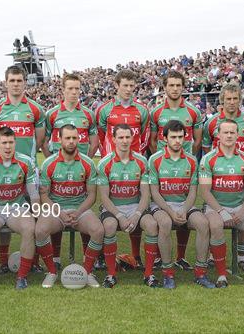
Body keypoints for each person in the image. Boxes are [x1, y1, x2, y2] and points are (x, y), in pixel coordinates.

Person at [199, 119, 244, 288]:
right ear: (218, 135)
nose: (229, 135)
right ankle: (221, 275)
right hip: (214, 208)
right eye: (225, 132)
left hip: (240, 207)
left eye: (232, 132)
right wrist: (221, 211)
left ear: (238, 135)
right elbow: (204, 191)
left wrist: (242, 211)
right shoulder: (208, 159)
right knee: (216, 226)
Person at [0, 66, 45, 274]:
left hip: (28, 170)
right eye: (12, 80)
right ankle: (3, 262)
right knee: (3, 210)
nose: (16, 84)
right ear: (6, 82)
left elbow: (39, 140)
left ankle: (34, 261)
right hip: (3, 171)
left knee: (33, 216)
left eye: (20, 80)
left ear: (25, 82)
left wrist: (25, 161)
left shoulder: (36, 109)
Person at [42, 73, 100, 270]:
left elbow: (94, 142)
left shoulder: (88, 115)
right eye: (70, 89)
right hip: (59, 164)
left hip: (81, 169)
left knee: (81, 207)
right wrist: (53, 158)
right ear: (63, 90)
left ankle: (87, 261)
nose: (74, 92)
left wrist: (86, 162)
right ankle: (55, 260)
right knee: (57, 202)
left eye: (77, 89)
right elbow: (45, 139)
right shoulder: (52, 114)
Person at [148, 120, 215, 289]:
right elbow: (154, 193)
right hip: (161, 205)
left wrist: (184, 210)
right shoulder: (155, 159)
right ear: (165, 138)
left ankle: (200, 273)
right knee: (164, 223)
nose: (177, 141)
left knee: (203, 223)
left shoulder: (192, 161)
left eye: (180, 137)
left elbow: (193, 191)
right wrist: (171, 211)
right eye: (173, 137)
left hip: (185, 204)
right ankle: (168, 273)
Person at [35, 124, 103, 288]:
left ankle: (87, 272)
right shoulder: (49, 164)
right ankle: (51, 271)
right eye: (67, 138)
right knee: (39, 231)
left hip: (80, 209)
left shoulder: (88, 163)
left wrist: (77, 212)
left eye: (74, 138)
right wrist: (60, 213)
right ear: (59, 140)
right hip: (56, 210)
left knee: (98, 230)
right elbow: (44, 195)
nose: (71, 142)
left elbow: (92, 195)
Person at [149, 70, 203, 271]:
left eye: (178, 85)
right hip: (163, 168)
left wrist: (185, 159)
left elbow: (197, 142)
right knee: (162, 216)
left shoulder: (193, 112)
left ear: (183, 87)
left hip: (184, 169)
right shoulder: (155, 112)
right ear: (164, 87)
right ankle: (160, 259)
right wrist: (163, 160)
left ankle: (180, 257)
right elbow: (153, 142)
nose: (174, 88)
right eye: (171, 85)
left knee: (184, 211)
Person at [0, 126, 40, 290]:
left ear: (15, 143)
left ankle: (22, 277)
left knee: (29, 227)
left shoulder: (26, 162)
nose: (8, 147)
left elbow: (34, 195)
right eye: (4, 142)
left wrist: (37, 213)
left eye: (11, 142)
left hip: (17, 208)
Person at [96, 69, 150, 269]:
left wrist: (137, 157)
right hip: (112, 165)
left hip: (135, 164)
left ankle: (136, 256)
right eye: (125, 85)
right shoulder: (104, 110)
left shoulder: (142, 110)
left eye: (132, 86)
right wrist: (108, 156)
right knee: (108, 207)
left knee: (136, 204)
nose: (128, 89)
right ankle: (103, 257)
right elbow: (102, 135)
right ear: (116, 86)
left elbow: (144, 136)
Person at [202, 82, 244, 272]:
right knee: (213, 217)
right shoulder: (211, 123)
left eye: (235, 99)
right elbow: (206, 149)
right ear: (222, 100)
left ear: (240, 100)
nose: (231, 102)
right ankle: (211, 255)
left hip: (239, 176)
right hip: (217, 177)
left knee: (242, 216)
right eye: (228, 99)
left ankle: (242, 257)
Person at [97, 124, 159, 288]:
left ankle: (149, 274)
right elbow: (104, 197)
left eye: (127, 137)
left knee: (152, 225)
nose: (124, 141)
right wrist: (119, 216)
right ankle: (111, 274)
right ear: (114, 139)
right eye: (121, 137)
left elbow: (145, 194)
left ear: (132, 139)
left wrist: (137, 214)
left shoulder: (141, 161)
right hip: (113, 208)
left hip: (135, 206)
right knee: (109, 226)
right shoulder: (104, 163)